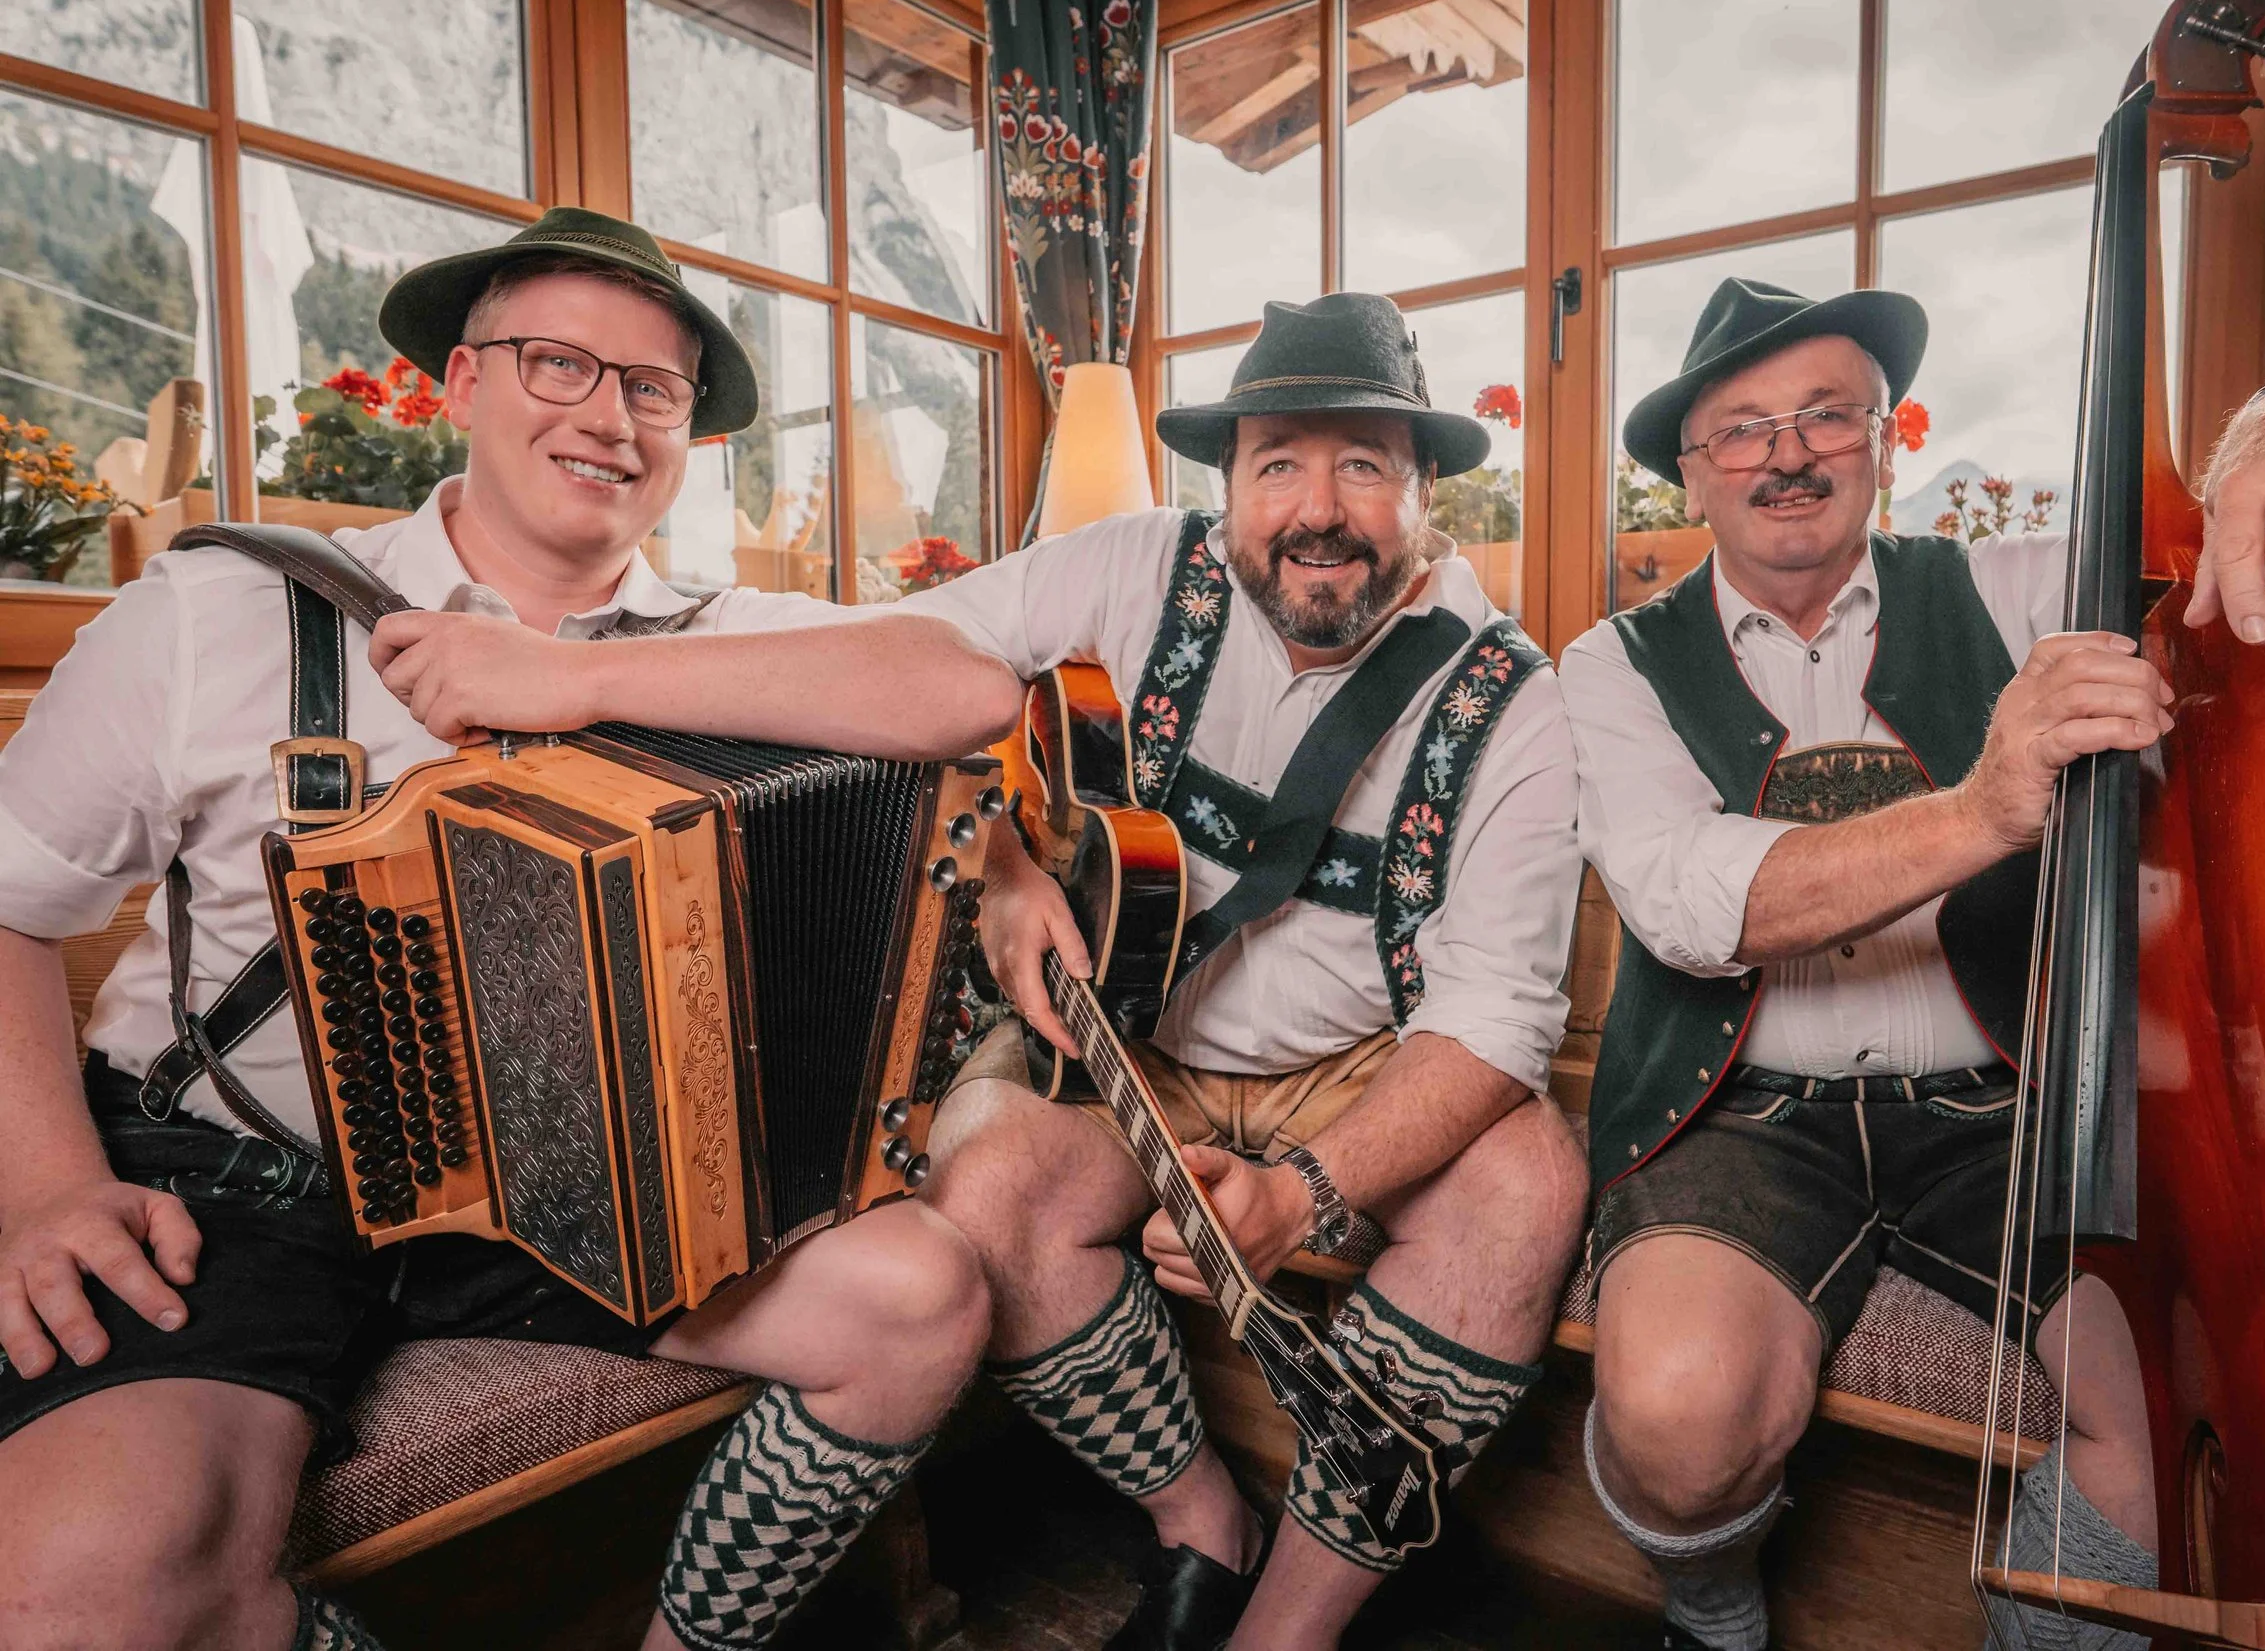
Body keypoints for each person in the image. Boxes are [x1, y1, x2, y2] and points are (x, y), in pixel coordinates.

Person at [373, 291, 1592, 1651]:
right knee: (983, 1179)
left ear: (1423, 489)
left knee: (1525, 1181)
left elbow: (1495, 1022)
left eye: (1364, 463)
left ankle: (1287, 1626)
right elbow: (928, 662)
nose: (1318, 505)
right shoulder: (1137, 568)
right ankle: (1201, 1516)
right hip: (1148, 1041)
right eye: (1280, 463)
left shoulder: (1511, 700)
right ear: (1228, 480)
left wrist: (1308, 1193)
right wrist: (1001, 852)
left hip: (1372, 1062)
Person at [0, 207, 1028, 1651]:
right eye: (558, 365)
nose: (608, 416)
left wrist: (554, 676)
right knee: (80, 1582)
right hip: (244, 1171)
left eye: (652, 389)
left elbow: (968, 688)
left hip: (580, 1190)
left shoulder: (722, 631)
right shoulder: (222, 610)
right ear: (460, 383)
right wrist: (43, 1185)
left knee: (917, 1299)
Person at [1560, 277, 2265, 1651]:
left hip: (2009, 1105)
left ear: (1888, 437)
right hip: (1734, 1111)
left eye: (1826, 415)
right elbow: (1689, 903)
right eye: (1741, 430)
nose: (1787, 454)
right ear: (1691, 471)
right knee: (1678, 1410)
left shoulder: (2019, 586)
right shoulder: (1612, 662)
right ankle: (1712, 1608)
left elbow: (2210, 557)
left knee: (2169, 1409)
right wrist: (1984, 806)